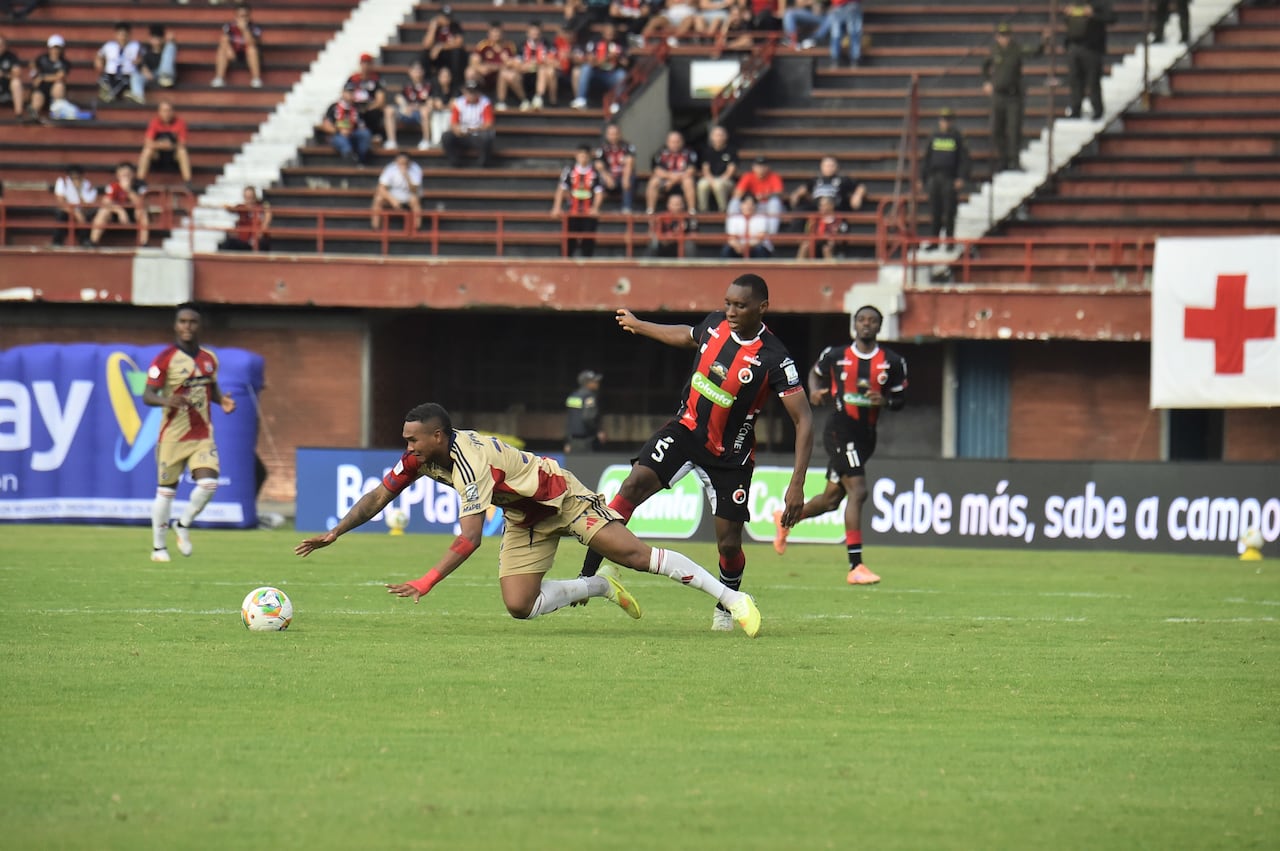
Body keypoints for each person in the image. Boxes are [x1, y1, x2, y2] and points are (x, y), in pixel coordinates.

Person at [295, 403, 763, 637]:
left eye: (414, 439)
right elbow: (380, 493)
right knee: (520, 607)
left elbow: (470, 539)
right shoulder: (419, 458)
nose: (408, 446)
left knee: (637, 555)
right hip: (524, 516)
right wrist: (337, 531)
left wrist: (427, 580)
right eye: (406, 439)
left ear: (438, 436)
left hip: (562, 499)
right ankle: (600, 587)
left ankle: (733, 600)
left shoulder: (469, 459)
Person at [576, 274, 813, 632]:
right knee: (632, 486)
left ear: (762, 307)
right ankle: (588, 574)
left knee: (729, 544)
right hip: (684, 431)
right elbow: (687, 335)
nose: (730, 311)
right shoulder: (715, 324)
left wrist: (797, 484)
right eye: (728, 303)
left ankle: (726, 604)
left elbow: (804, 419)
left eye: (740, 305)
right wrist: (640, 326)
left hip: (729, 458)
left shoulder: (775, 359)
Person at [773, 305, 906, 585]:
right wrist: (815, 391)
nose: (866, 324)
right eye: (861, 320)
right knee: (858, 491)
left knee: (832, 500)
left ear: (879, 327)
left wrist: (884, 401)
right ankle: (855, 566)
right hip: (839, 431)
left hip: (866, 437)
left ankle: (784, 519)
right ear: (854, 325)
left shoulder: (892, 361)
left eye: (872, 321)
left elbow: (900, 399)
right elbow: (815, 372)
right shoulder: (836, 355)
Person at [142, 303, 237, 563]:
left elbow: (211, 389)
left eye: (192, 322)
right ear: (176, 325)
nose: (187, 326)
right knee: (165, 492)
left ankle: (183, 524)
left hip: (202, 435)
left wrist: (222, 401)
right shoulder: (164, 358)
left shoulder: (209, 359)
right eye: (183, 321)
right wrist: (166, 401)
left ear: (199, 326)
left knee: (208, 484)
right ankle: (159, 548)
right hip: (172, 436)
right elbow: (147, 395)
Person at [981, 22, 1048, 173]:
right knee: (997, 129)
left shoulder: (1016, 49)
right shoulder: (993, 51)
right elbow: (984, 66)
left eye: (1006, 35)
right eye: (1001, 36)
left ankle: (1014, 160)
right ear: (997, 37)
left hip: (1013, 96)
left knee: (1014, 129)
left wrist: (1043, 43)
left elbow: (1033, 52)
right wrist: (986, 81)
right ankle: (1003, 159)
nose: (1004, 39)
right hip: (998, 95)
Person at [917, 107, 968, 248]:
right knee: (935, 211)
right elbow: (927, 159)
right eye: (943, 120)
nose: (945, 123)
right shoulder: (933, 136)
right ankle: (934, 241)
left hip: (949, 178)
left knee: (950, 211)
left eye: (948, 120)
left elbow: (964, 159)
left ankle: (950, 241)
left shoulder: (957, 137)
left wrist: (961, 177)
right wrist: (922, 178)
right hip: (935, 178)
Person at [1063, 0, 1114, 119]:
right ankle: (1075, 108)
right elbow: (1066, 21)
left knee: (1093, 81)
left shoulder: (1099, 3)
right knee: (1074, 79)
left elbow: (1112, 18)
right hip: (1074, 45)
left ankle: (1097, 109)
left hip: (1092, 48)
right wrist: (1067, 14)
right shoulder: (1075, 3)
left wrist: (1093, 14)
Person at [552, 144, 604, 257]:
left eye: (585, 156)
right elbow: (561, 189)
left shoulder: (595, 173)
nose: (583, 158)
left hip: (588, 214)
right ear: (576, 156)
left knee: (588, 243)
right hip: (572, 212)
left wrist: (595, 208)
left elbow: (599, 192)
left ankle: (587, 267)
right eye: (581, 155)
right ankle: (565, 266)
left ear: (589, 157)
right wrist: (556, 207)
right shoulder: (569, 171)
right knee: (568, 243)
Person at [89, 161, 149, 247]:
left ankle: (144, 242)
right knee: (103, 211)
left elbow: (141, 203)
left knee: (141, 211)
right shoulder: (113, 185)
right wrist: (120, 211)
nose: (125, 177)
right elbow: (106, 202)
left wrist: (128, 190)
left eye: (127, 174)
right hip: (117, 214)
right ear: (118, 175)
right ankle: (93, 241)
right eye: (123, 174)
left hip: (133, 213)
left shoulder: (140, 185)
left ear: (133, 174)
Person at [137, 101, 193, 189]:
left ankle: (188, 181)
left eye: (168, 110)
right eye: (163, 111)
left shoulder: (180, 123)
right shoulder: (154, 123)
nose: (166, 113)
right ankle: (140, 180)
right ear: (159, 112)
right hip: (158, 155)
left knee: (182, 151)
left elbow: (182, 143)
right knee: (147, 150)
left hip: (173, 155)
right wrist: (162, 145)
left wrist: (171, 146)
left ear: (173, 111)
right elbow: (148, 142)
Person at [571, 21, 627, 110]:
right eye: (608, 31)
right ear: (603, 32)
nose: (609, 34)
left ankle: (616, 103)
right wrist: (607, 58)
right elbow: (591, 62)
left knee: (621, 74)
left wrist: (619, 59)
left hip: (611, 75)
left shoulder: (620, 45)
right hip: (596, 74)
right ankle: (581, 99)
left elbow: (626, 62)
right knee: (585, 68)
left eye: (612, 32)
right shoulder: (595, 43)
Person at [441, 80, 496, 169]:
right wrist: (457, 130)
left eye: (474, 92)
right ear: (465, 92)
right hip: (463, 135)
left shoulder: (485, 102)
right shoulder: (459, 102)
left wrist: (474, 129)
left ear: (478, 92)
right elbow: (453, 122)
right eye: (469, 92)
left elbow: (488, 124)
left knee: (487, 137)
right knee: (446, 136)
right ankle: (455, 162)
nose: (472, 95)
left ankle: (484, 163)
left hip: (478, 134)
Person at [644, 130, 698, 215]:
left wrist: (673, 181)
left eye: (678, 141)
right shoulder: (660, 153)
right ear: (667, 142)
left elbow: (691, 170)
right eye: (673, 142)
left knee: (688, 181)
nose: (675, 144)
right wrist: (671, 177)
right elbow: (657, 171)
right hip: (665, 182)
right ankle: (650, 210)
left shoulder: (690, 153)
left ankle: (692, 211)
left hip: (682, 182)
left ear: (682, 142)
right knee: (653, 182)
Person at [383, 60, 433, 150]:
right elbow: (398, 97)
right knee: (389, 110)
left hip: (420, 114)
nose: (417, 73)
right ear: (410, 72)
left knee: (425, 111)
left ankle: (426, 141)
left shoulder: (428, 85)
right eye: (414, 70)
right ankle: (392, 141)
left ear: (423, 71)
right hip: (406, 112)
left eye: (419, 70)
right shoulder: (407, 85)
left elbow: (430, 103)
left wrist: (416, 108)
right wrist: (404, 106)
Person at [212, 2, 263, 89]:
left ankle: (256, 79)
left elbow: (253, 43)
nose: (243, 18)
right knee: (222, 50)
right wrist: (228, 49)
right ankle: (219, 78)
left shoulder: (254, 27)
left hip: (248, 54)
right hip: (233, 52)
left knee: (252, 50)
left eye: (245, 15)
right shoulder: (229, 26)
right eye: (240, 16)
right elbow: (223, 39)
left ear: (249, 16)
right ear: (236, 16)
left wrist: (244, 30)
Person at [371, 150, 423, 231]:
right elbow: (381, 188)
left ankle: (417, 228)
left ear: (409, 162)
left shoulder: (416, 169)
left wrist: (406, 176)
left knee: (415, 200)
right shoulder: (390, 168)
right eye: (400, 163)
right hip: (393, 194)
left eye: (404, 163)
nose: (402, 165)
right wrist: (392, 200)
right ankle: (375, 227)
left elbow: (414, 190)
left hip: (410, 194)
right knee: (378, 199)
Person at [322, 84, 372, 165]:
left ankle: (362, 159)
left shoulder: (357, 108)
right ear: (343, 93)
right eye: (348, 92)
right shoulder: (334, 107)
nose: (350, 94)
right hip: (337, 134)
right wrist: (339, 131)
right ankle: (349, 159)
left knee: (365, 134)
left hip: (353, 133)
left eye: (352, 92)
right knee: (341, 140)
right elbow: (326, 125)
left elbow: (362, 125)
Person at [512, 20, 558, 110]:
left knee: (546, 70)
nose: (535, 33)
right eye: (533, 30)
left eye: (537, 31)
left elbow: (553, 61)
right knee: (511, 74)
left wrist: (539, 63)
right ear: (528, 32)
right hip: (526, 74)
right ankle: (524, 101)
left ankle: (540, 97)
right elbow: (516, 63)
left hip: (542, 74)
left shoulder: (548, 45)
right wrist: (524, 66)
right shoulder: (521, 46)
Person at [593, 121, 636, 213]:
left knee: (629, 179)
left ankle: (626, 208)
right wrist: (607, 177)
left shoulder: (627, 146)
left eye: (615, 134)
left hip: (623, 177)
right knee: (596, 179)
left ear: (620, 134)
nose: (613, 136)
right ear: (607, 135)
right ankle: (595, 208)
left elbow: (630, 162)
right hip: (609, 178)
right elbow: (598, 165)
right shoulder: (602, 148)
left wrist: (625, 178)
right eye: (611, 134)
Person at [95, 21, 142, 103]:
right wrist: (99, 63)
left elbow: (140, 58)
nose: (122, 38)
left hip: (126, 75)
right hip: (111, 74)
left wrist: (138, 61)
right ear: (116, 35)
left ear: (129, 35)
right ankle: (112, 94)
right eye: (120, 35)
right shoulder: (109, 46)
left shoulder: (135, 46)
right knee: (103, 80)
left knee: (124, 82)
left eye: (125, 35)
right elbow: (99, 56)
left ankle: (111, 95)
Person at [696, 124, 738, 213]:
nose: (719, 137)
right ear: (711, 137)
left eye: (721, 135)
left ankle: (723, 209)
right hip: (711, 178)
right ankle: (703, 210)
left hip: (727, 180)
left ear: (726, 136)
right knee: (702, 184)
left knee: (718, 185)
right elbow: (705, 168)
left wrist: (720, 180)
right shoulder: (707, 150)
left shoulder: (731, 150)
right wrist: (711, 180)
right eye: (716, 135)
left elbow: (731, 169)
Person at [28, 34, 71, 121]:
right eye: (53, 47)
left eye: (57, 48)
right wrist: (35, 73)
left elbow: (60, 76)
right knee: (37, 97)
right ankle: (34, 114)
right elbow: (33, 68)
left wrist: (42, 77)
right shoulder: (41, 59)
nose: (55, 50)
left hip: (54, 89)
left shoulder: (64, 63)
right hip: (42, 88)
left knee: (59, 85)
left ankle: (57, 111)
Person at [52, 165, 97, 247]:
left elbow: (87, 206)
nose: (75, 180)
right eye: (73, 177)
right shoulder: (63, 182)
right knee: (61, 215)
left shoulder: (88, 185)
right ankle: (57, 242)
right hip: (68, 210)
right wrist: (75, 212)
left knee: (88, 216)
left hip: (83, 211)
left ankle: (85, 241)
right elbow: (61, 202)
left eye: (77, 177)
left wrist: (79, 191)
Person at [347, 52, 387, 143]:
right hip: (355, 106)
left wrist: (368, 107)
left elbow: (380, 99)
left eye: (368, 63)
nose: (365, 66)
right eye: (363, 63)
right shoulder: (353, 79)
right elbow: (346, 93)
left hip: (370, 107)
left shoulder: (377, 80)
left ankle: (374, 135)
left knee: (374, 113)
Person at [421, 5, 467, 83]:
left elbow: (459, 43)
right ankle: (427, 81)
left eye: (448, 17)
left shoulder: (455, 26)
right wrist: (433, 27)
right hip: (437, 56)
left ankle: (457, 82)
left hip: (450, 55)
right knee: (425, 54)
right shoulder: (434, 28)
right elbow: (426, 45)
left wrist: (441, 46)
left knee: (457, 52)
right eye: (444, 17)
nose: (447, 20)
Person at [564, 369, 605, 454]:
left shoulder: (573, 396)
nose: (597, 383)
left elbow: (569, 420)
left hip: (572, 441)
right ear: (587, 383)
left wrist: (567, 442)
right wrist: (598, 431)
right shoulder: (589, 397)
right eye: (595, 381)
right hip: (586, 441)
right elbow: (588, 418)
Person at [721, 194, 774, 259]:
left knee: (760, 249)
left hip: (755, 246)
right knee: (727, 249)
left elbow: (760, 238)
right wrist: (738, 246)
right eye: (746, 204)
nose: (748, 207)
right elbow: (732, 238)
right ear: (741, 206)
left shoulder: (761, 218)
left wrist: (746, 246)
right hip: (739, 247)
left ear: (755, 206)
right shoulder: (734, 218)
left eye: (751, 204)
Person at [220, 185, 271, 251]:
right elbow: (231, 209)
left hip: (256, 240)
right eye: (246, 197)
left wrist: (261, 230)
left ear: (254, 197)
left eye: (250, 197)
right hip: (244, 241)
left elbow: (268, 215)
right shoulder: (241, 207)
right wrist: (226, 206)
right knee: (228, 242)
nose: (248, 200)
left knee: (263, 242)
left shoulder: (261, 207)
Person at [795, 195, 847, 260]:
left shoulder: (839, 219)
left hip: (831, 245)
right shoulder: (814, 218)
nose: (821, 208)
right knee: (805, 246)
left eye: (824, 205)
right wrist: (810, 228)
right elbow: (807, 233)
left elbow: (842, 237)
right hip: (816, 243)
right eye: (820, 205)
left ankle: (831, 269)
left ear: (831, 206)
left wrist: (833, 238)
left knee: (827, 248)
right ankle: (798, 267)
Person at [134, 24, 179, 98]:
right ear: (150, 39)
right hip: (152, 75)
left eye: (158, 38)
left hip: (166, 75)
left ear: (162, 39)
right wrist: (144, 69)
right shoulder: (146, 51)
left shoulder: (167, 49)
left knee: (171, 46)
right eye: (154, 39)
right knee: (136, 76)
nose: (156, 41)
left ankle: (165, 76)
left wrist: (172, 41)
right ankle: (138, 98)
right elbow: (140, 63)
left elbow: (171, 52)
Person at [647, 192, 697, 257]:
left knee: (689, 245)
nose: (676, 207)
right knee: (653, 243)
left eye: (678, 204)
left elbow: (694, 235)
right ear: (668, 205)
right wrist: (665, 238)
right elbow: (651, 233)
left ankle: (690, 266)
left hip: (680, 244)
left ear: (683, 205)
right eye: (674, 204)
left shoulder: (689, 218)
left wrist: (676, 236)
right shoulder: (661, 217)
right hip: (664, 245)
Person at [0, 35, 25, 119]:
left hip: (7, 85)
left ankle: (19, 113)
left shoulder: (11, 57)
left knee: (16, 83)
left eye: (1, 45)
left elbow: (17, 73)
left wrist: (3, 74)